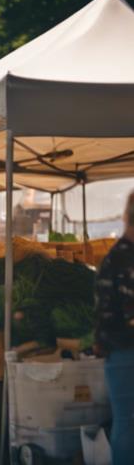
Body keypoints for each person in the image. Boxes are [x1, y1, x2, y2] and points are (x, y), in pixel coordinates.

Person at [95, 191, 134, 465]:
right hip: (124, 350)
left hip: (120, 350)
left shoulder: (114, 258)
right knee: (127, 423)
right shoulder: (119, 259)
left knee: (127, 422)